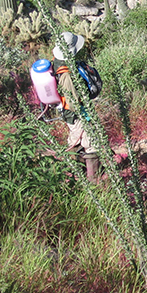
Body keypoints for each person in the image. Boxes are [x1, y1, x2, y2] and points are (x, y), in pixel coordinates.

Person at [52, 31, 99, 182]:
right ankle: (93, 181)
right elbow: (73, 102)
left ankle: (72, 173)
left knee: (74, 140)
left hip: (68, 114)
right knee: (91, 144)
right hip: (75, 114)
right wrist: (85, 114)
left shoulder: (57, 63)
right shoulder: (66, 74)